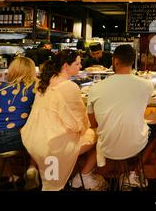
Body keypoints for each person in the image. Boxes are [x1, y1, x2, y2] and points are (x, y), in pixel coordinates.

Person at [21, 50, 105, 191]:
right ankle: (83, 176)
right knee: (101, 135)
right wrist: (90, 126)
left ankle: (33, 167)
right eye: (77, 64)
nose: (80, 66)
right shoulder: (70, 86)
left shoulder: (45, 82)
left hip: (33, 138)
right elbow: (80, 120)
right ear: (66, 65)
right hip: (55, 141)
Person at [87, 44, 155, 188]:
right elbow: (142, 108)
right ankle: (132, 173)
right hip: (135, 145)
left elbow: (93, 124)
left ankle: (88, 173)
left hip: (106, 146)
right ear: (132, 61)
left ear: (115, 61)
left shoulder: (94, 88)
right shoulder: (147, 85)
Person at [0, 57, 38, 191]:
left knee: (4, 140)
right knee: (35, 131)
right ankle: (32, 168)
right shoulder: (34, 89)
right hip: (16, 139)